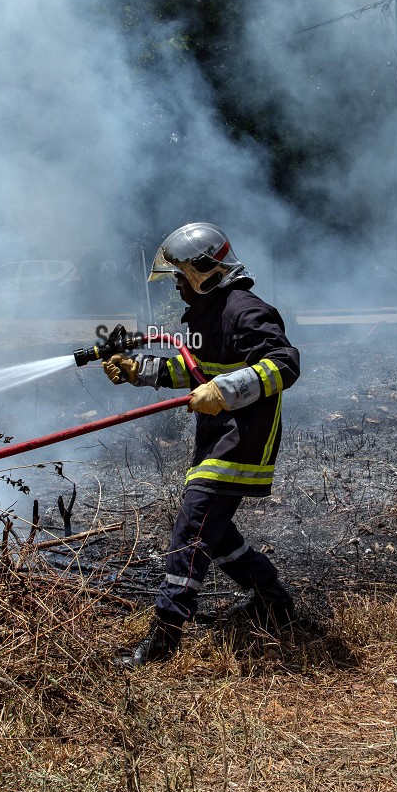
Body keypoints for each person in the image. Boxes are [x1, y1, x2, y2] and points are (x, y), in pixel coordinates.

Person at [102, 223, 300, 665]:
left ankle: (163, 640)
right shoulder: (211, 313)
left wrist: (227, 391)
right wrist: (140, 371)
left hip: (241, 441)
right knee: (215, 531)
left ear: (204, 270)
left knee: (191, 533)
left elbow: (284, 365)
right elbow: (198, 373)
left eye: (179, 276)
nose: (176, 285)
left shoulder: (244, 310)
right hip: (220, 438)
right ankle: (273, 600)